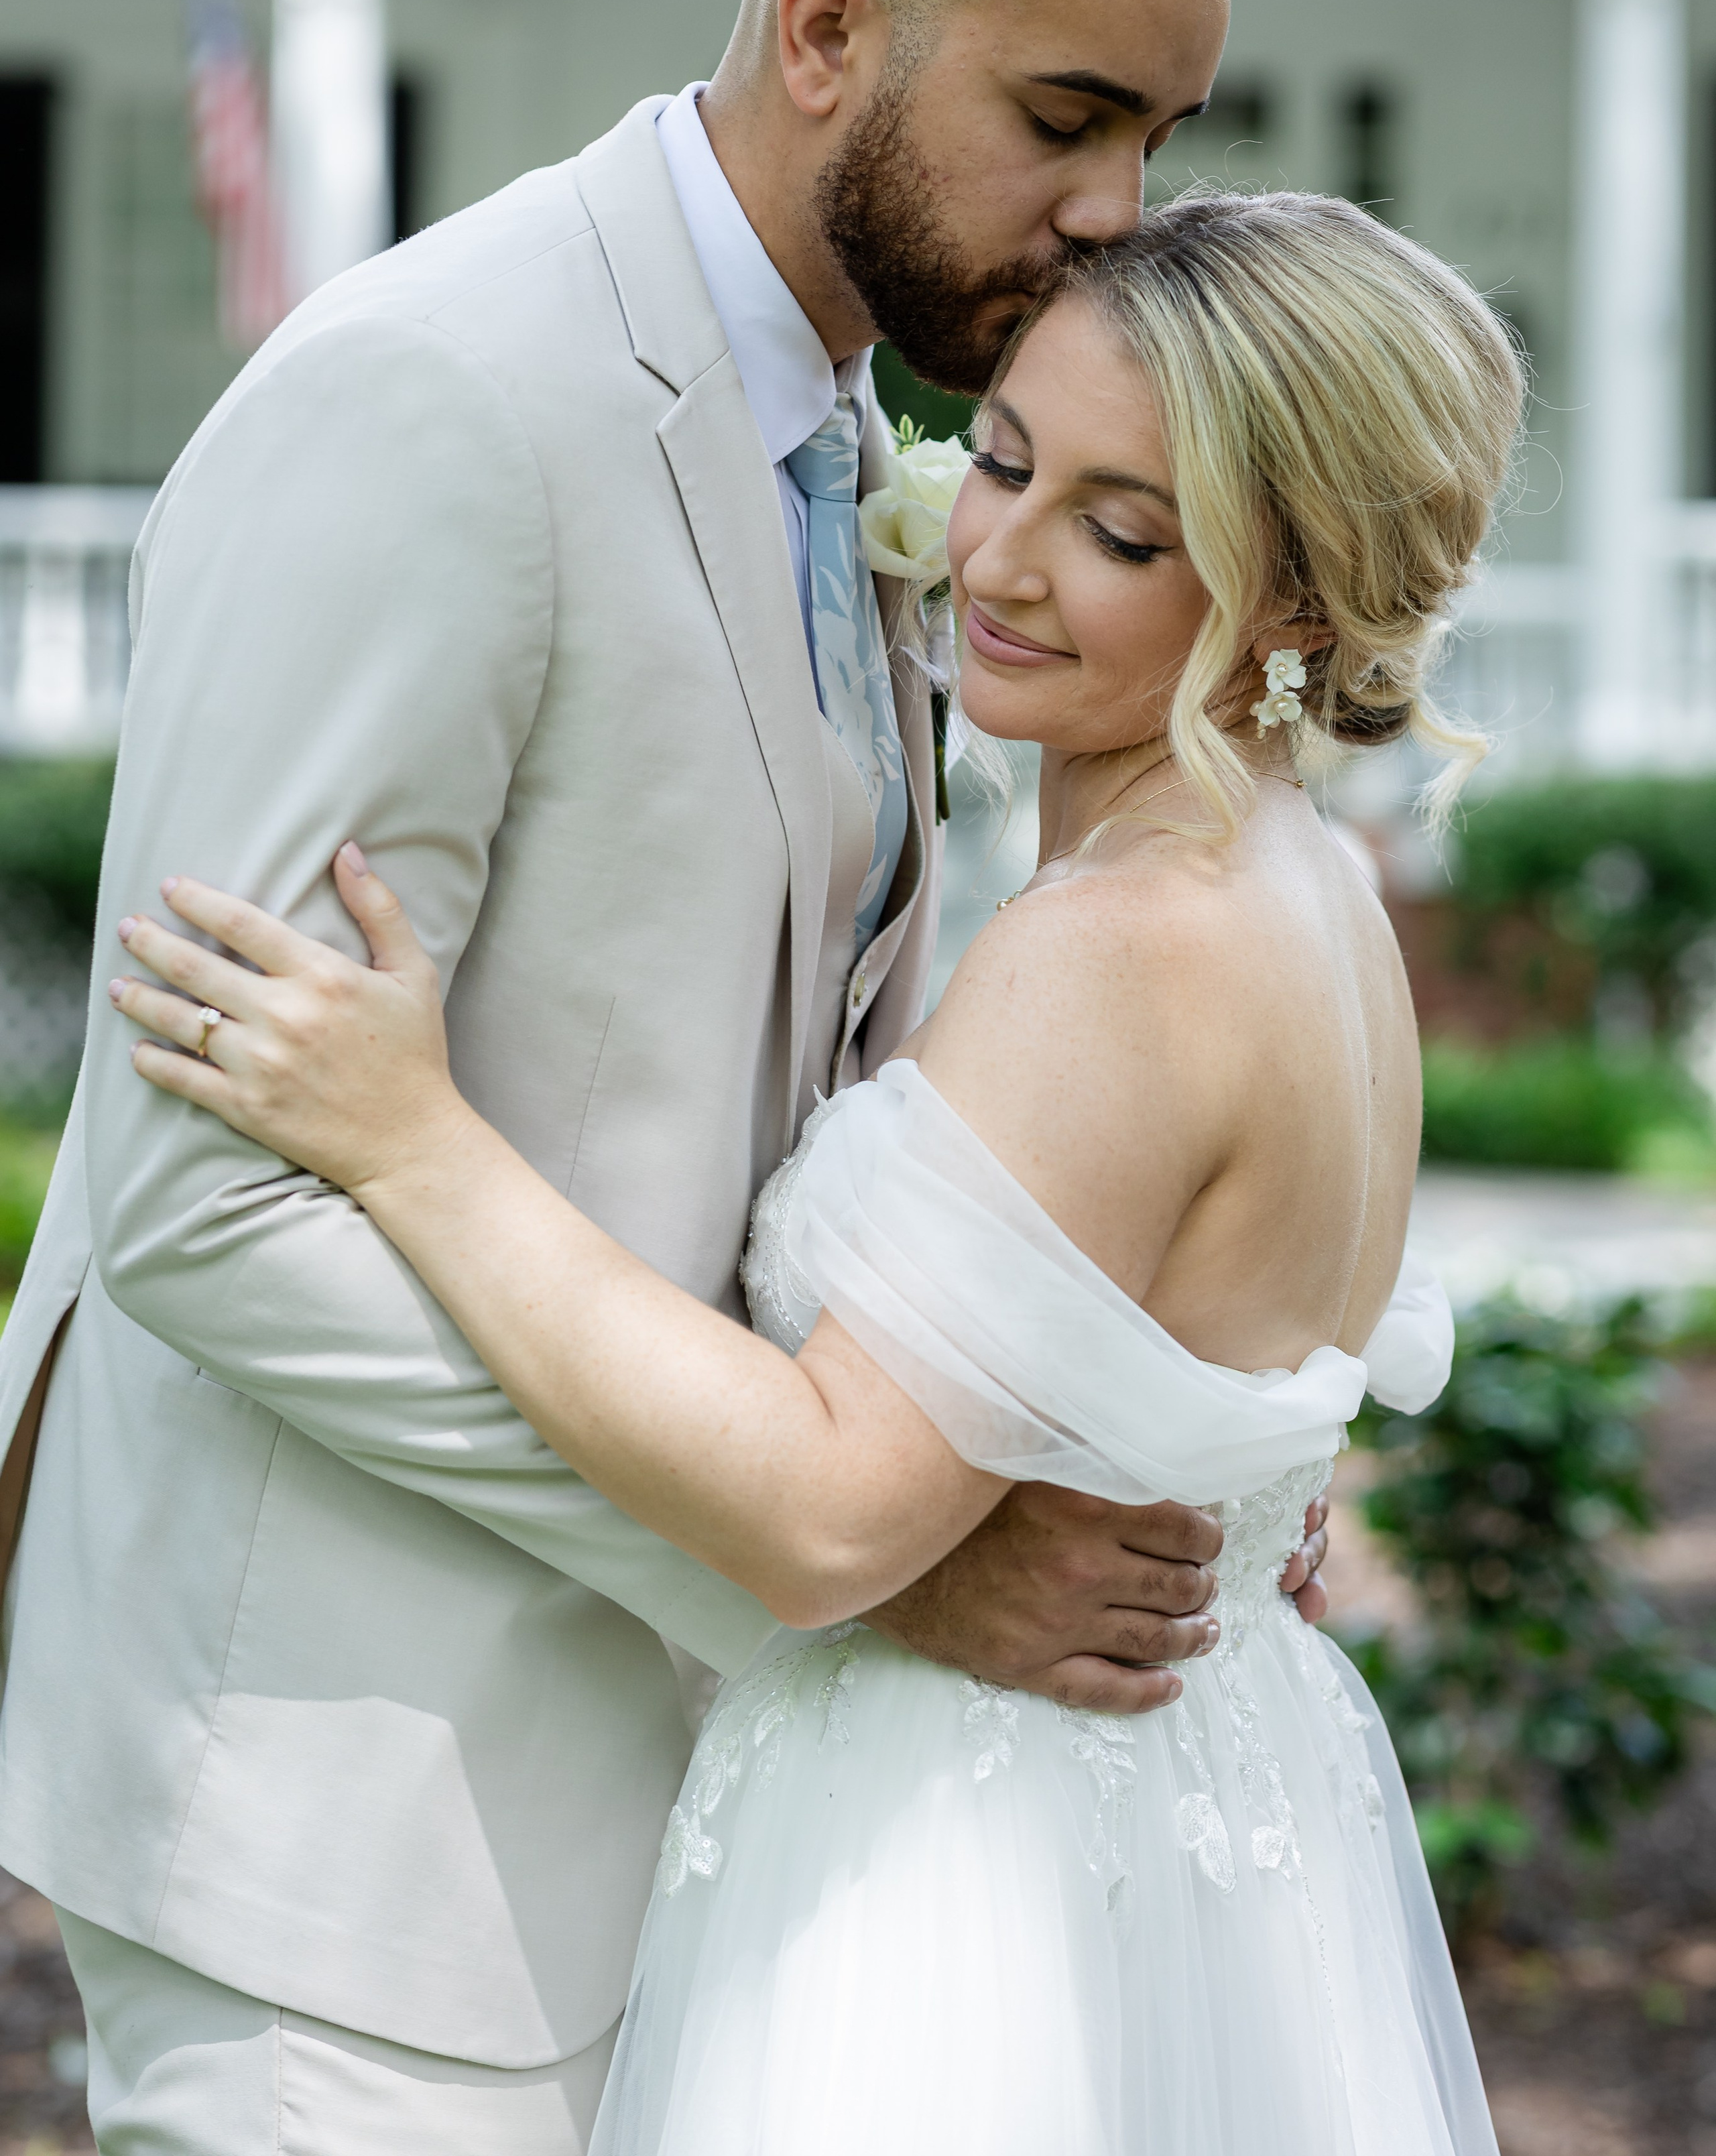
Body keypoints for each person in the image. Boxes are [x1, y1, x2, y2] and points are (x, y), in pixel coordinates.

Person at [0, 0, 1343, 2155]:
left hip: (684, 1833)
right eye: (1069, 120)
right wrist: (850, 1560)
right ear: (827, 32)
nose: (1128, 211)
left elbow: (814, 1102)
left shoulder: (878, 450)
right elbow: (204, 1199)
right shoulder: (434, 401)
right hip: (350, 1856)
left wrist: (1126, 1426)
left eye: (1163, 138)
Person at [109, 183, 1519, 2152]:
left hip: (969, 1871)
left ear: (1290, 599)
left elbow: (830, 1516)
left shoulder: (1121, 945)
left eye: (1118, 532)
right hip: (1219, 1821)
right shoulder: (1323, 898)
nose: (998, 559)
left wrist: (412, 1136)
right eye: (1004, 461)